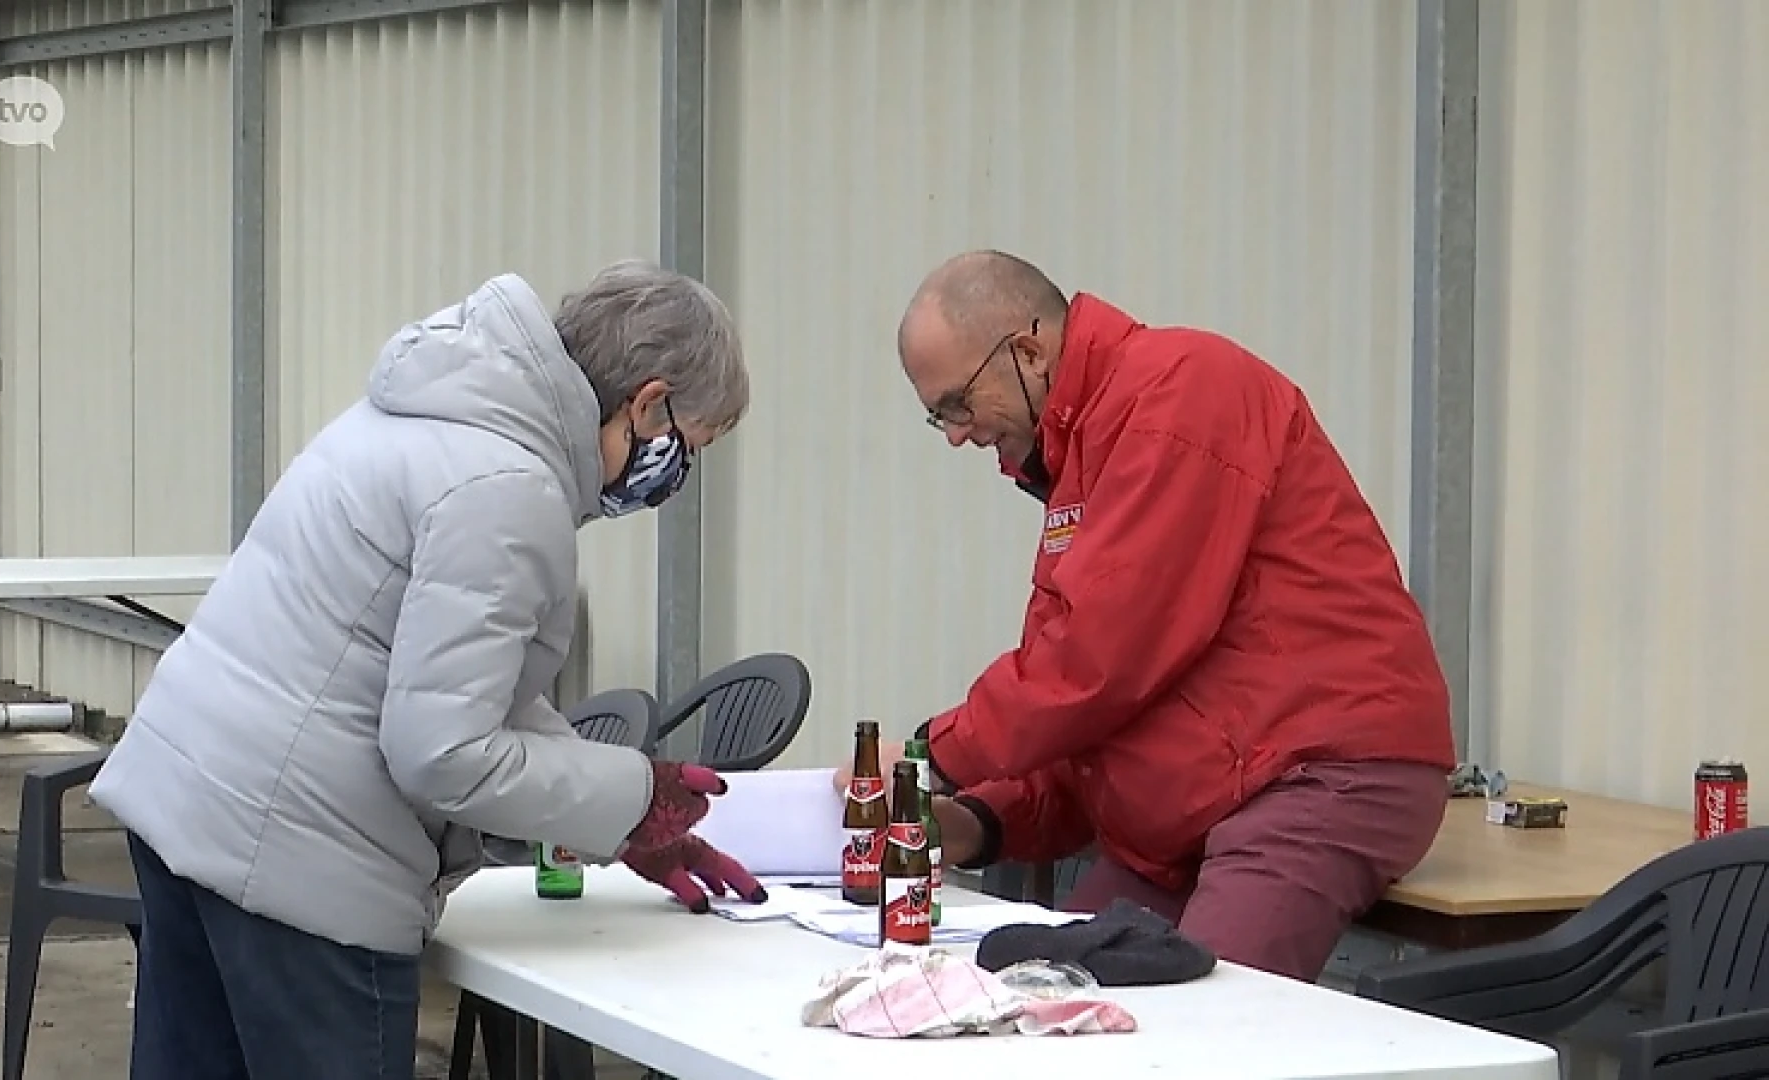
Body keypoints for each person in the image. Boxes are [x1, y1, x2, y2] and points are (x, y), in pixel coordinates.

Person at [88, 261, 767, 1080]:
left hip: (192, 802)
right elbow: (442, 749)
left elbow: (476, 695)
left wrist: (615, 818)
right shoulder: (507, 487)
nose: (674, 475)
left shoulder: (438, 408)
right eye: (688, 448)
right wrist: (634, 794)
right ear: (648, 403)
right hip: (302, 864)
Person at [854, 249, 1457, 983]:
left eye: (956, 403)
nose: (955, 432)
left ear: (1028, 351)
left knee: (1193, 1039)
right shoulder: (1090, 453)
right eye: (936, 416)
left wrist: (929, 758)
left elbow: (1099, 660)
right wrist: (976, 822)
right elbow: (1086, 720)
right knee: (1043, 993)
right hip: (1210, 803)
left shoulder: (1181, 394)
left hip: (1315, 776)